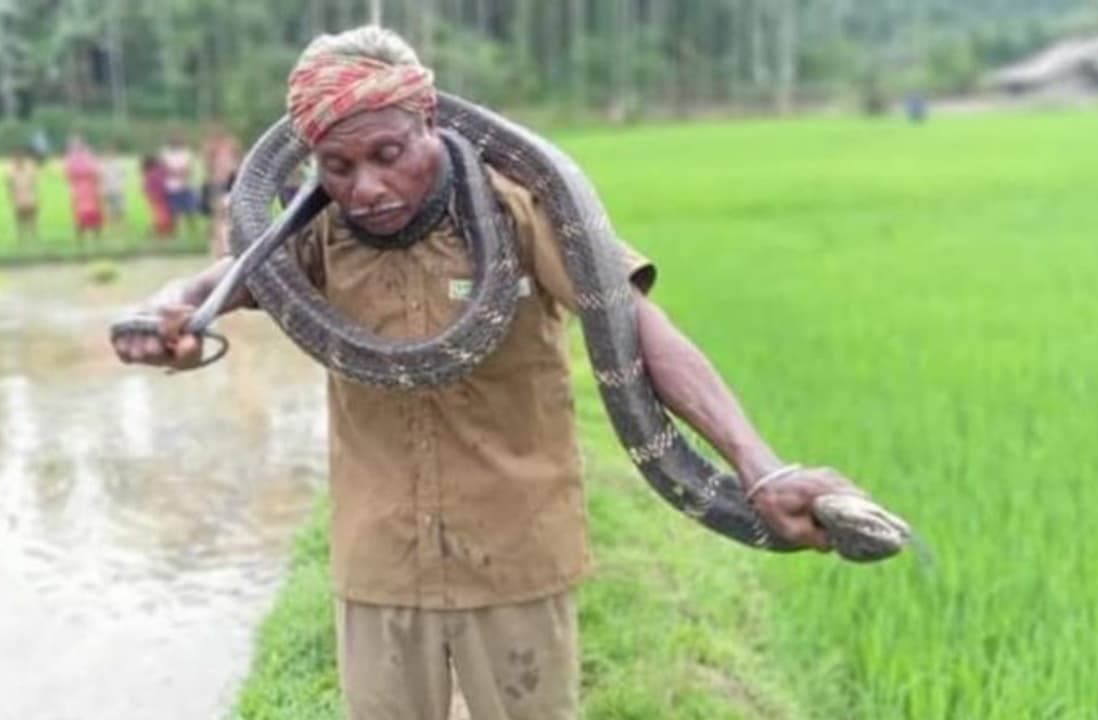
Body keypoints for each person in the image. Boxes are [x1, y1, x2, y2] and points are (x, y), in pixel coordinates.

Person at [112, 26, 867, 720]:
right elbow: (228, 278)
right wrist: (169, 307)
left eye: (387, 154)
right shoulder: (317, 235)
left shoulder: (523, 211)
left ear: (430, 123)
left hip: (515, 557)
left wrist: (757, 467)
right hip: (380, 566)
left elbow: (642, 330)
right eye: (336, 167)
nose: (366, 187)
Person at [201, 121, 242, 257]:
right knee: (217, 216)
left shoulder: (231, 144)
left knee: (231, 214)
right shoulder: (210, 146)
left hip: (231, 180)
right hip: (218, 182)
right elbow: (207, 164)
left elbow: (239, 160)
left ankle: (231, 246)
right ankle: (219, 248)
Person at [64, 135, 104, 244]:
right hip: (78, 189)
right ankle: (80, 239)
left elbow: (95, 171)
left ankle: (97, 238)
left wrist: (89, 175)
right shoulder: (70, 158)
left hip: (90, 188)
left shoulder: (89, 155)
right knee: (79, 214)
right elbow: (68, 174)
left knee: (94, 213)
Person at [160, 132, 198, 239]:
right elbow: (164, 168)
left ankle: (193, 233)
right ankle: (175, 233)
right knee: (173, 212)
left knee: (189, 211)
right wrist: (177, 173)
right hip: (171, 187)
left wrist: (181, 173)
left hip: (185, 186)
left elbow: (189, 169)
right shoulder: (165, 153)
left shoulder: (187, 153)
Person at [5, 149, 39, 244]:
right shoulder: (11, 169)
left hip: (29, 194)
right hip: (18, 195)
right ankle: (21, 237)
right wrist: (10, 195)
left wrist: (35, 193)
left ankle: (33, 235)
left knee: (32, 216)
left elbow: (34, 180)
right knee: (19, 217)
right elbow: (9, 182)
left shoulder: (29, 166)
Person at [140, 153, 174, 240]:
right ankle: (162, 232)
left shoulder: (147, 173)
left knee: (157, 214)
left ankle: (159, 232)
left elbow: (144, 186)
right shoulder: (158, 171)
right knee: (162, 214)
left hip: (153, 196)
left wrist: (145, 193)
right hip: (161, 195)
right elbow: (168, 172)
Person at [100, 145, 128, 236]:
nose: (109, 156)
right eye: (108, 155)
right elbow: (100, 178)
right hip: (107, 191)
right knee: (109, 210)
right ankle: (110, 227)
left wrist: (121, 187)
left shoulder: (118, 165)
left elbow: (122, 176)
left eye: (111, 154)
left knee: (119, 209)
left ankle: (121, 226)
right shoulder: (102, 166)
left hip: (117, 189)